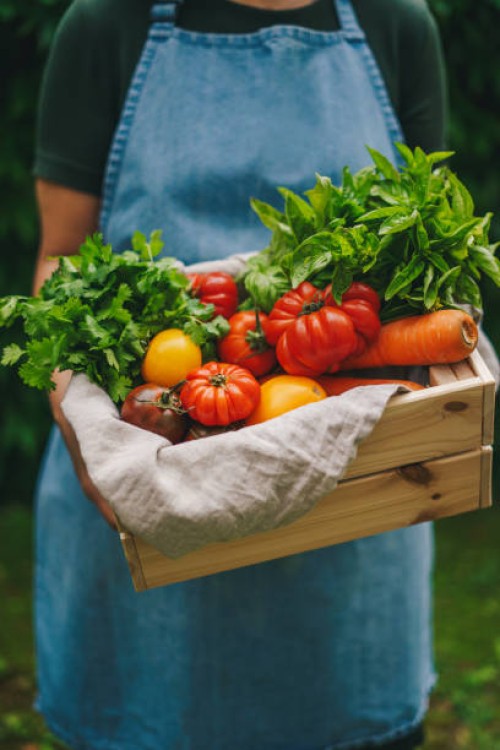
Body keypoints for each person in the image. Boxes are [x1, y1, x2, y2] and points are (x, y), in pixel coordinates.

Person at [32, 0, 447, 748]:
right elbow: (62, 253)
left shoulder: (396, 23)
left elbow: (414, 256)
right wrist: (78, 422)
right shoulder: (105, 24)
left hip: (348, 499)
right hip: (150, 454)